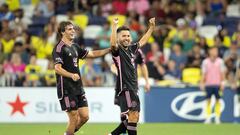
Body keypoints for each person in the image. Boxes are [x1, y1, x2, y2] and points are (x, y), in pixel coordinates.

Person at [52, 21, 110, 135]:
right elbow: (57, 68)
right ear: (62, 32)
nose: (73, 31)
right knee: (73, 117)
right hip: (66, 88)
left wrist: (109, 50)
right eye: (69, 29)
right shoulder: (59, 48)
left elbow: (92, 54)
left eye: (73, 28)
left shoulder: (75, 46)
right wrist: (71, 75)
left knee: (84, 117)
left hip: (78, 87)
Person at [108, 17, 155, 135]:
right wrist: (114, 27)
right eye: (123, 36)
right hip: (126, 88)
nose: (126, 38)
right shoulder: (117, 51)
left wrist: (151, 28)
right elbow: (113, 44)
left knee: (134, 117)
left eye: (128, 36)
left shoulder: (132, 49)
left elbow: (142, 41)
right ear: (119, 38)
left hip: (133, 87)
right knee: (133, 116)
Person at [200, 46, 226, 124]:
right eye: (214, 50)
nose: (215, 52)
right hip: (208, 84)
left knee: (218, 100)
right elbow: (204, 74)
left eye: (216, 51)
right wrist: (202, 83)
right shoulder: (205, 62)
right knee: (208, 101)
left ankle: (217, 117)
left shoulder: (220, 61)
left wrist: (223, 83)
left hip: (217, 84)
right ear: (210, 52)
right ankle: (208, 117)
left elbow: (222, 73)